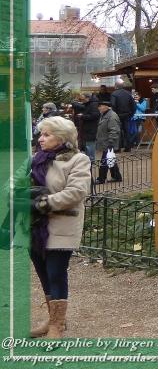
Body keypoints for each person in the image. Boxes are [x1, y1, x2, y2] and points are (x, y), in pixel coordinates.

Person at [28, 116, 90, 339]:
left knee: (55, 274)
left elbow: (76, 192)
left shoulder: (78, 160)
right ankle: (53, 319)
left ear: (61, 137)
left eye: (46, 135)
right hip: (35, 227)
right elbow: (15, 182)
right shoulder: (37, 159)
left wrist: (43, 203)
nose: (40, 139)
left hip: (61, 225)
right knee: (43, 274)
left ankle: (57, 327)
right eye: (40, 134)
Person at [93, 98, 122, 184]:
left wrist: (111, 142)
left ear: (106, 107)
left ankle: (101, 178)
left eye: (100, 106)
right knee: (110, 159)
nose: (99, 108)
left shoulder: (112, 116)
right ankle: (117, 177)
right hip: (106, 141)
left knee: (104, 160)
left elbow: (114, 130)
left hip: (109, 142)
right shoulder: (105, 114)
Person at [72, 93, 99, 163]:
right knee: (87, 145)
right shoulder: (89, 103)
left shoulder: (93, 105)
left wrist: (82, 116)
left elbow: (95, 115)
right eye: (81, 100)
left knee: (90, 145)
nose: (82, 101)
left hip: (91, 128)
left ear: (88, 98)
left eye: (83, 99)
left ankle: (91, 160)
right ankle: (88, 160)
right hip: (87, 128)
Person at [109, 81, 135, 152]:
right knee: (127, 131)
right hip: (127, 115)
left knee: (117, 131)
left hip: (117, 115)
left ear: (116, 86)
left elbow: (113, 105)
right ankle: (128, 147)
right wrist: (131, 114)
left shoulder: (114, 94)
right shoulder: (128, 93)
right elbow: (133, 105)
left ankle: (117, 148)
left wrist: (113, 115)